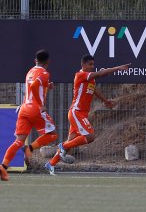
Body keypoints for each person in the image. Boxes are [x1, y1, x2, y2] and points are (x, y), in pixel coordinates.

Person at [44, 55, 130, 175]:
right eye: (90, 64)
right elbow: (100, 74)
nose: (92, 67)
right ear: (83, 65)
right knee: (90, 136)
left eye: (93, 65)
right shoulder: (80, 75)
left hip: (81, 114)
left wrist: (105, 101)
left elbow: (94, 90)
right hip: (76, 112)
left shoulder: (90, 79)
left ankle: (51, 163)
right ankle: (62, 145)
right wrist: (118, 68)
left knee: (71, 142)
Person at [0, 50, 58, 181]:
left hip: (24, 109)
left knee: (18, 141)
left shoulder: (30, 71)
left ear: (35, 60)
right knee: (53, 134)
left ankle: (3, 167)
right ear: (48, 61)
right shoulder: (44, 72)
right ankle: (30, 148)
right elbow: (34, 86)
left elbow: (35, 86)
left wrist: (47, 86)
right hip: (34, 110)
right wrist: (40, 105)